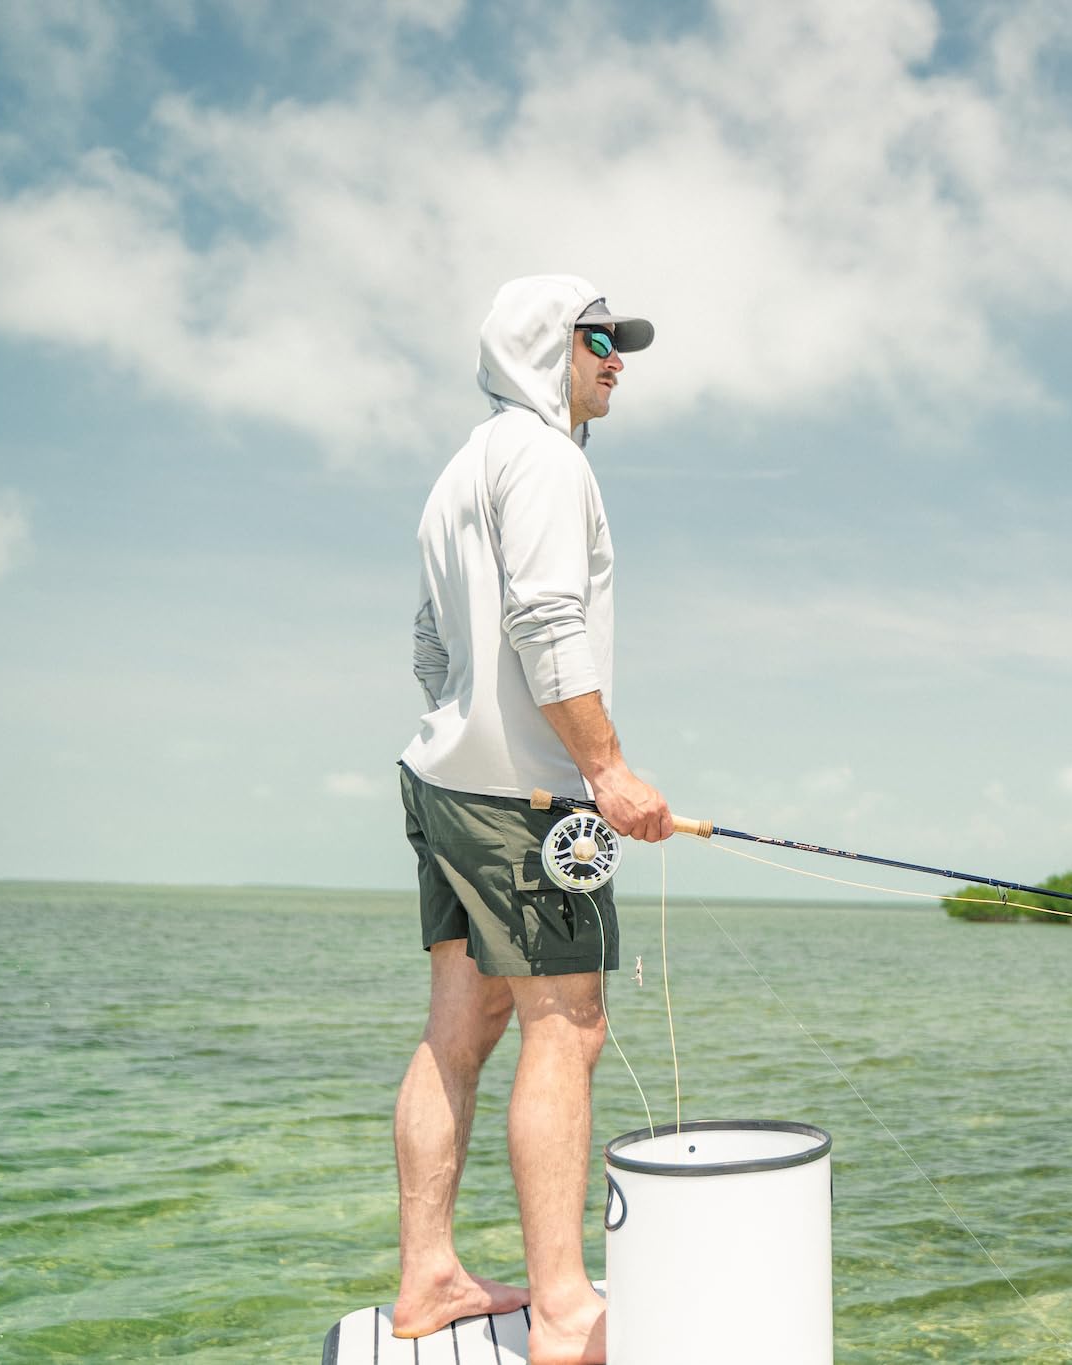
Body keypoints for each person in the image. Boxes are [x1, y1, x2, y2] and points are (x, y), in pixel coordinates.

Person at [392, 274, 671, 1365]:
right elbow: (549, 619)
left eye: (621, 343)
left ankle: (430, 1280)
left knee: (460, 1030)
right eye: (599, 339)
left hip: (443, 784)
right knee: (567, 1026)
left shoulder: (460, 469)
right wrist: (605, 769)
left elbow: (429, 643)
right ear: (543, 344)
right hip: (527, 801)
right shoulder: (547, 461)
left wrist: (464, 726)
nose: (617, 360)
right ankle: (561, 1308)